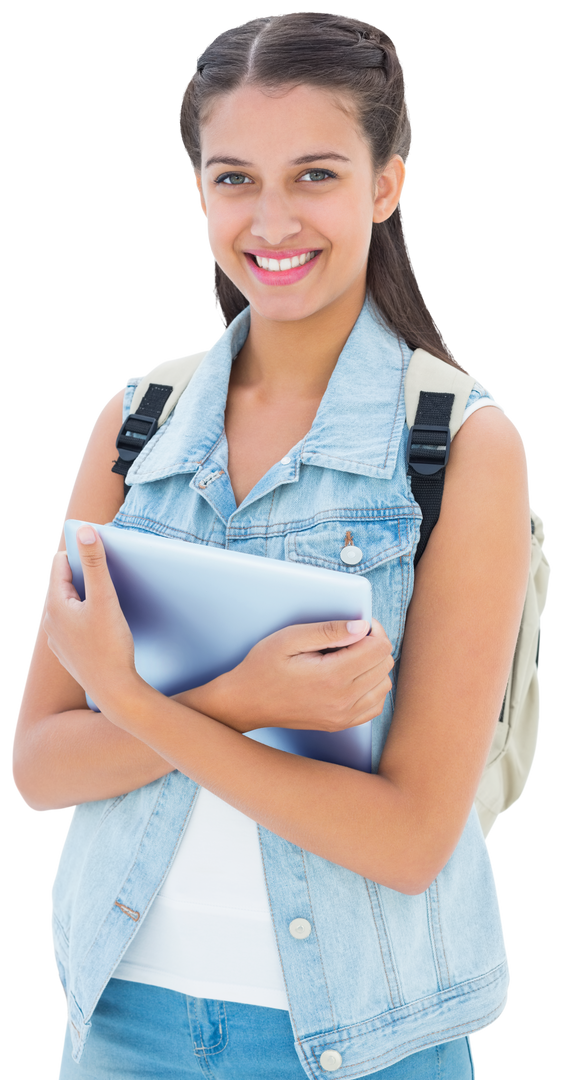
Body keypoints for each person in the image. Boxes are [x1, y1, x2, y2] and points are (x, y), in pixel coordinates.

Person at [11, 11, 531, 1079]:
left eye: (315, 174)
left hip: (372, 1038)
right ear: (198, 187)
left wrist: (142, 701)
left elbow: (405, 839)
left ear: (384, 184)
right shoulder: (137, 421)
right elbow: (39, 767)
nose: (272, 218)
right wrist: (241, 699)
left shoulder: (458, 447)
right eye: (235, 177)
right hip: (120, 1023)